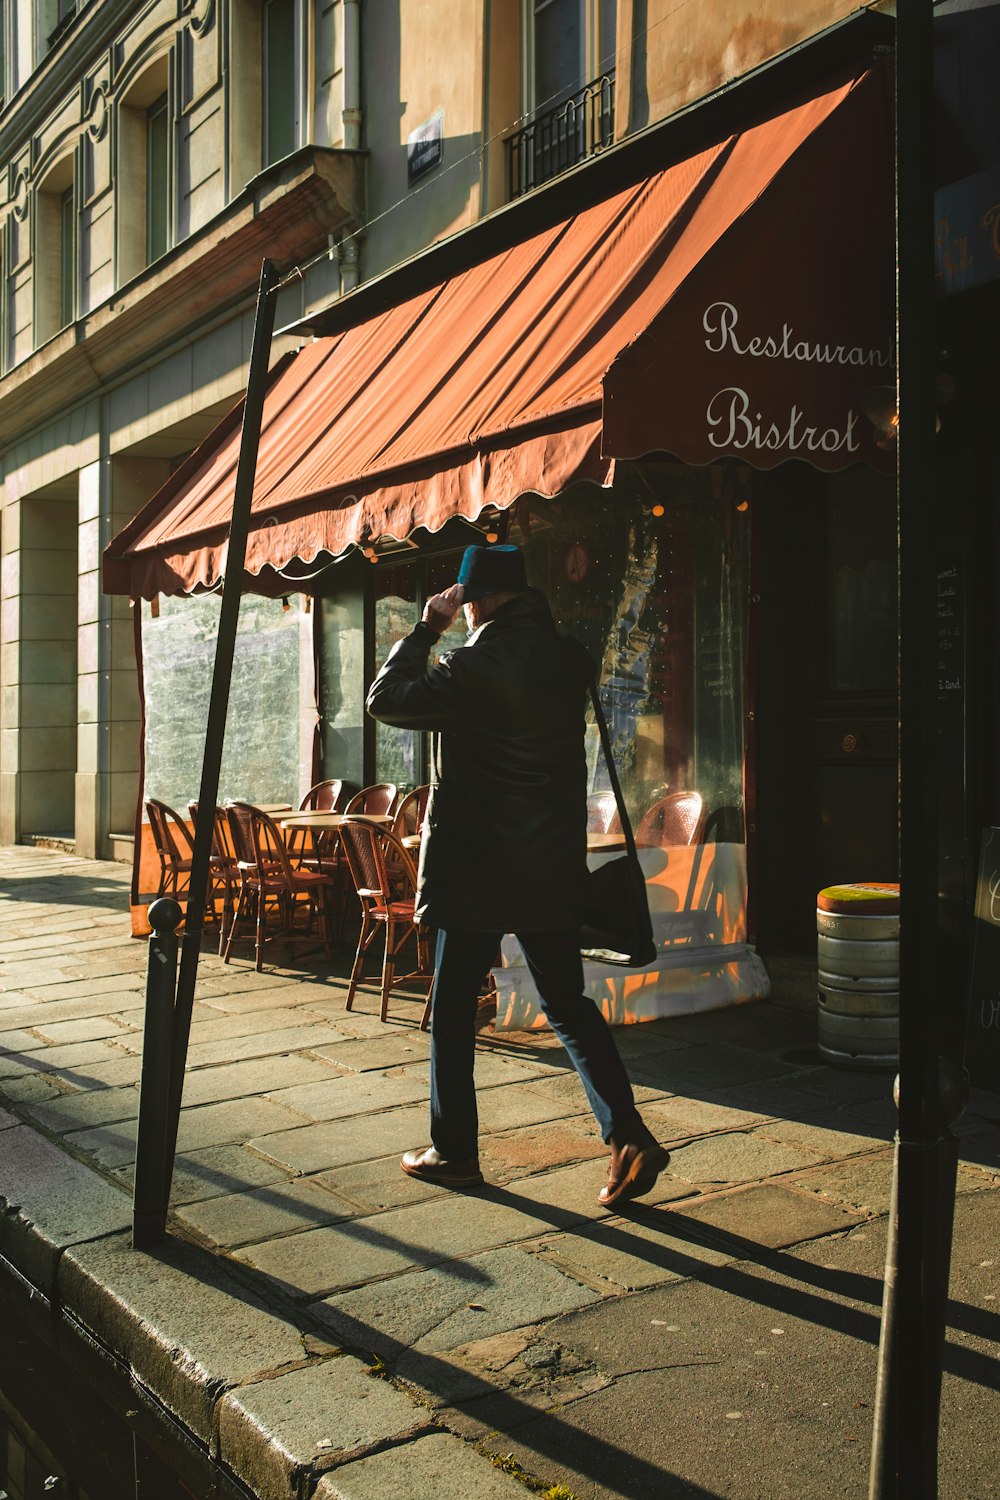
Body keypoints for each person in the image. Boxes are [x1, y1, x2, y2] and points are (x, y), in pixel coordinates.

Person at [365, 543, 669, 1207]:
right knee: (567, 1005)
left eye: (465, 597)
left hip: (477, 870)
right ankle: (627, 1133)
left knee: (450, 1013)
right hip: (548, 865)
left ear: (475, 600)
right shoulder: (566, 659)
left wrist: (426, 627)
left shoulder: (472, 663)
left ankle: (455, 1152)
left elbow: (385, 699)